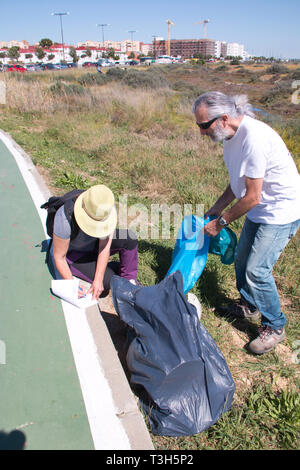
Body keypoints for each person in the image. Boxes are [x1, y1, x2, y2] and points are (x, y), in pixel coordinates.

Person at [192, 91, 300, 354]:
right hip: (260, 208)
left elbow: (252, 197)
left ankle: (275, 326)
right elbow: (238, 182)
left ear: (224, 118)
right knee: (241, 258)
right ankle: (249, 305)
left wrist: (221, 222)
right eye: (199, 125)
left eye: (204, 125)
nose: (202, 132)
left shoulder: (254, 139)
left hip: (281, 211)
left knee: (256, 270)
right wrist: (217, 207)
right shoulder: (229, 137)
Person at [52, 184, 138, 299]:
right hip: (75, 255)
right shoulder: (64, 217)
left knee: (129, 238)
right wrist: (71, 285)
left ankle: (130, 285)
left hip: (94, 244)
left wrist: (98, 279)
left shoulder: (107, 209)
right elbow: (59, 257)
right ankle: (112, 269)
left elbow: (104, 246)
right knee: (107, 282)